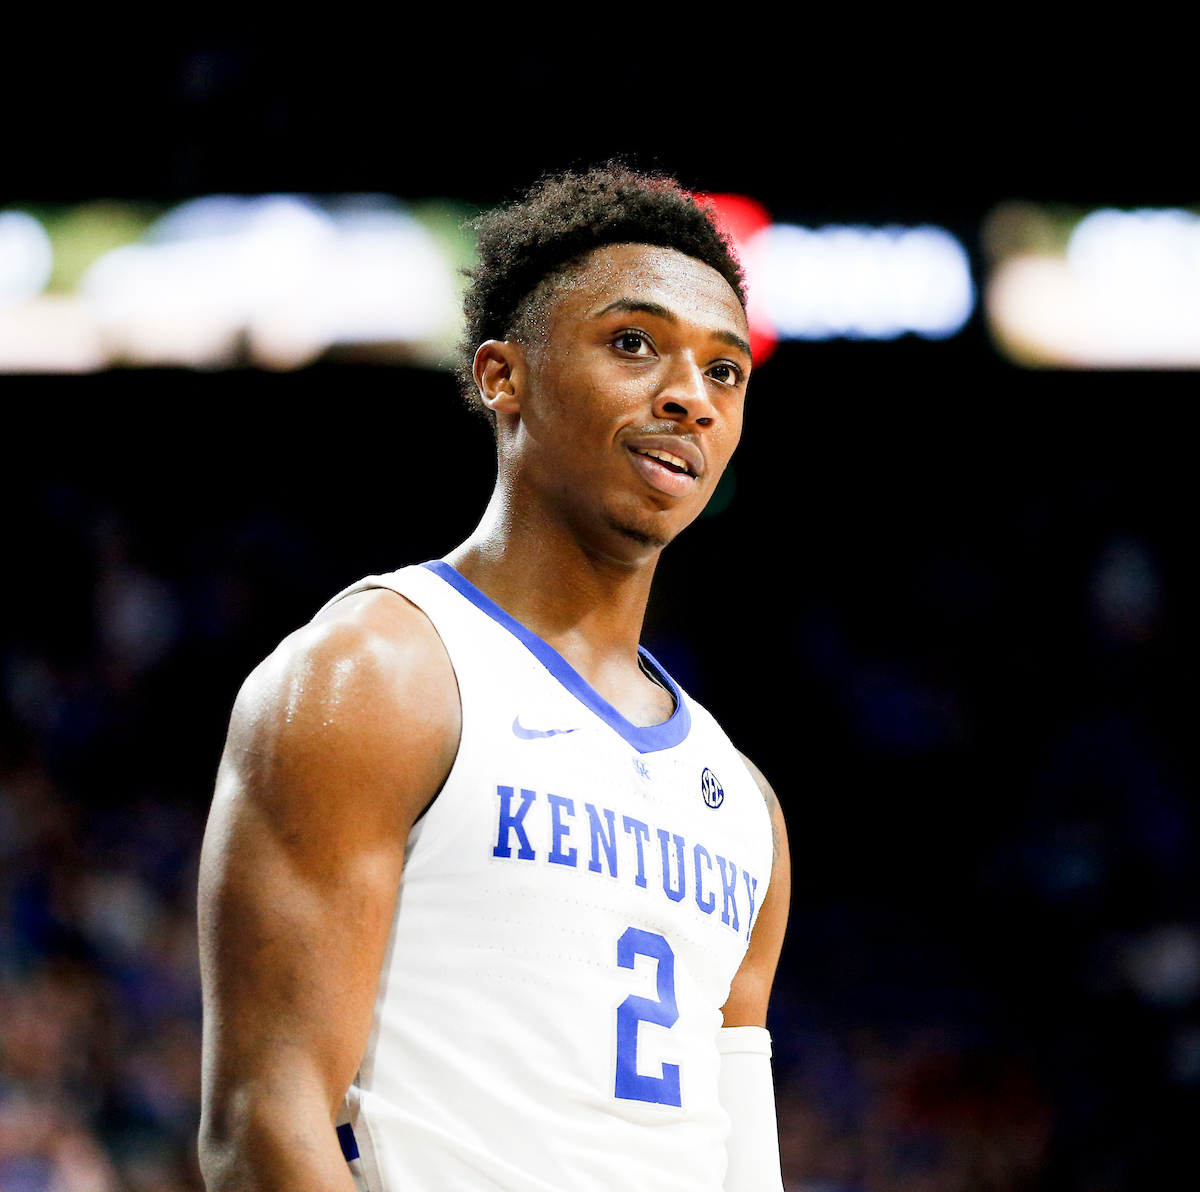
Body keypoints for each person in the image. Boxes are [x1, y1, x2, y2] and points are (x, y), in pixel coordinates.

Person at [197, 166, 790, 1192]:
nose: (689, 395)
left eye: (725, 371)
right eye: (635, 343)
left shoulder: (744, 805)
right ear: (502, 376)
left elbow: (744, 1161)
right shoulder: (375, 676)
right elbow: (265, 1125)